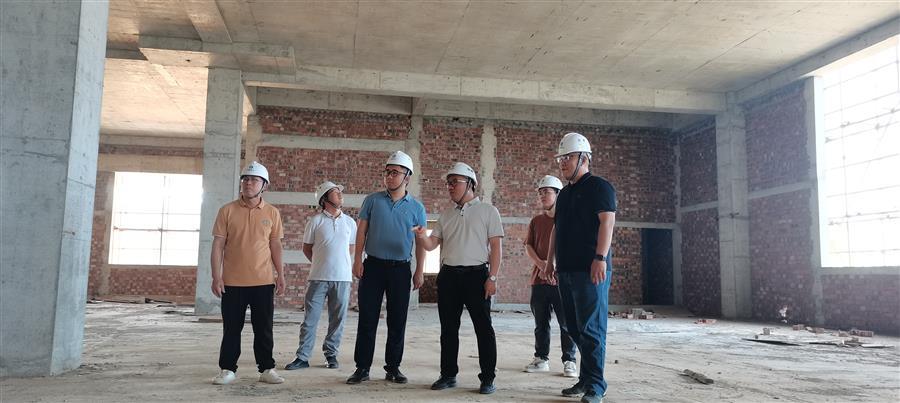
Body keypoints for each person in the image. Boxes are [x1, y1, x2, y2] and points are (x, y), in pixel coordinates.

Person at [413, 162, 504, 395]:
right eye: (449, 183)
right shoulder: (446, 215)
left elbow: (496, 247)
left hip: (477, 276)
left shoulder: (488, 211)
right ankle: (448, 374)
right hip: (449, 277)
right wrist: (422, 236)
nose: (450, 187)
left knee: (483, 328)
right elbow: (431, 245)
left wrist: (492, 277)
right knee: (448, 329)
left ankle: (487, 378)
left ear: (470, 184)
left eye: (455, 182)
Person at [543, 133, 616, 403]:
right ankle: (586, 380)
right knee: (573, 327)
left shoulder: (600, 187)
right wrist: (550, 261)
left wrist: (600, 258)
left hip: (590, 269)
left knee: (591, 328)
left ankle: (596, 384)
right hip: (566, 269)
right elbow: (557, 229)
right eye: (561, 158)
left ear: (584, 158)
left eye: (568, 157)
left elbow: (607, 223)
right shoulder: (564, 195)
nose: (563, 162)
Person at [347, 151, 426, 385]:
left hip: (400, 269)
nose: (389, 176)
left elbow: (421, 242)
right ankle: (362, 368)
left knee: (397, 320)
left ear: (407, 177)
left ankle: (393, 368)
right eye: (387, 172)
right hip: (373, 267)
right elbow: (361, 230)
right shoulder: (372, 201)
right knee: (367, 318)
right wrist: (357, 259)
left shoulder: (417, 208)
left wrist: (419, 270)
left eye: (395, 173)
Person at [211, 161, 286, 385]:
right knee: (231, 329)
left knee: (264, 329)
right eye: (245, 179)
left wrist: (280, 274)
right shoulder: (227, 210)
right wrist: (216, 276)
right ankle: (227, 369)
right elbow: (218, 245)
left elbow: (275, 245)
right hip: (232, 282)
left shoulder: (272, 213)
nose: (248, 183)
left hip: (263, 281)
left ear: (264, 185)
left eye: (254, 180)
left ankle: (266, 369)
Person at [285, 181, 357, 371]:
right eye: (335, 192)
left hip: (342, 278)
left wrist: (337, 263)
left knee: (337, 320)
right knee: (310, 319)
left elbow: (350, 249)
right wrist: (321, 262)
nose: (340, 194)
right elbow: (307, 248)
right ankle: (302, 357)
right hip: (317, 278)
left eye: (340, 192)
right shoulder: (315, 221)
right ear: (324, 198)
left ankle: (331, 355)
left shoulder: (350, 223)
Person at [524, 175, 578, 378]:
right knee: (541, 323)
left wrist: (554, 267)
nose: (542, 196)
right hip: (538, 280)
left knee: (567, 323)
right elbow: (528, 246)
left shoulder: (568, 220)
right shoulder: (536, 221)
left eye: (546, 192)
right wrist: (542, 265)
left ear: (558, 194)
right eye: (540, 192)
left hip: (562, 280)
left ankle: (569, 361)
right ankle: (541, 359)